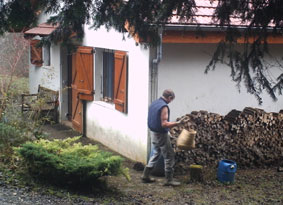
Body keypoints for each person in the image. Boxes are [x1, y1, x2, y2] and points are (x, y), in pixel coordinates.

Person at [141, 89, 181, 186]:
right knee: (169, 155)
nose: (170, 102)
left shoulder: (154, 103)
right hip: (160, 134)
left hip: (153, 132)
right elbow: (164, 124)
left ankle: (145, 175)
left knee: (156, 152)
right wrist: (177, 123)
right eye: (171, 100)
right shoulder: (164, 107)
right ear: (170, 97)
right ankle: (169, 180)